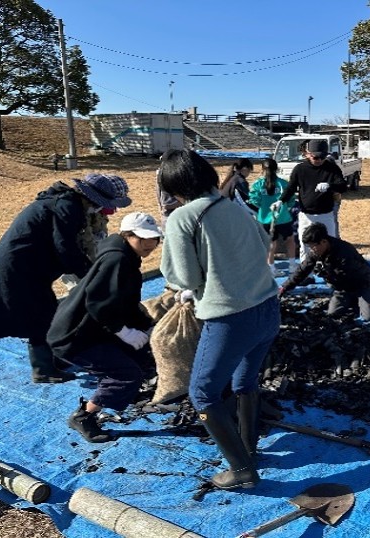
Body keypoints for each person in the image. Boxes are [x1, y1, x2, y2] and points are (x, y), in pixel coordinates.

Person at [158, 149, 279, 490]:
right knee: (245, 383)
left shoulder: (184, 217)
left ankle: (240, 470)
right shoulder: (236, 208)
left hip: (230, 319)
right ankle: (249, 448)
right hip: (268, 309)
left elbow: (183, 277)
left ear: (176, 187)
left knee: (202, 393)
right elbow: (265, 242)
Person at [0, 173, 131, 384]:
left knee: (43, 312)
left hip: (29, 266)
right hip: (18, 266)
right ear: (93, 199)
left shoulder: (66, 203)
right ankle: (44, 369)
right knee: (41, 315)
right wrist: (89, 276)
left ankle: (52, 359)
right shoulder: (67, 207)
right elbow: (65, 248)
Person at [47, 212, 162, 443]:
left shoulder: (125, 256)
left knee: (139, 355)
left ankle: (124, 392)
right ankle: (84, 416)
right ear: (127, 235)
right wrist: (124, 332)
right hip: (75, 336)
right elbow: (98, 303)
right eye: (143, 239)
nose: (149, 244)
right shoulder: (117, 261)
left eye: (154, 239)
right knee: (125, 375)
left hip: (94, 329)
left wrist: (147, 326)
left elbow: (125, 303)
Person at [280, 222, 370, 321]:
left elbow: (348, 276)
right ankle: (351, 300)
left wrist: (326, 273)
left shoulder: (344, 252)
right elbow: (302, 270)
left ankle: (359, 299)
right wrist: (285, 287)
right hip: (342, 289)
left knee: (369, 317)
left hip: (362, 284)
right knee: (333, 313)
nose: (312, 250)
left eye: (313, 246)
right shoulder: (315, 251)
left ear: (323, 242)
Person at [271, 139, 347, 260]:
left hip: (326, 214)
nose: (319, 161)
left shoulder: (332, 168)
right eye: (316, 157)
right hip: (306, 215)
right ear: (308, 154)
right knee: (305, 245)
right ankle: (307, 274)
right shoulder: (300, 169)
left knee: (330, 244)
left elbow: (343, 186)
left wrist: (330, 186)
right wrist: (281, 200)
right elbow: (291, 188)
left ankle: (330, 272)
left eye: (322, 157)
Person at [248, 158, 297, 276]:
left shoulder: (257, 184)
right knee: (290, 240)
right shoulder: (283, 183)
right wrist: (286, 207)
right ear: (276, 169)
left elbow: (254, 200)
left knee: (270, 244)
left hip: (265, 218)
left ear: (262, 169)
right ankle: (292, 266)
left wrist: (263, 207)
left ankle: (271, 268)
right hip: (283, 217)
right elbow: (291, 199)